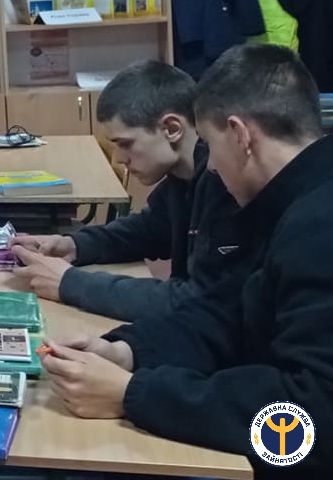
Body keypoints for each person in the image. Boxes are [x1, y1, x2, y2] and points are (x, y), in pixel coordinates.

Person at [40, 44, 333, 477]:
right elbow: (228, 311)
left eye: (210, 146)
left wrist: (135, 394)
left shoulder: (318, 228)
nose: (209, 167)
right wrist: (127, 352)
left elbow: (311, 427)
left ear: (241, 135)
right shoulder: (286, 202)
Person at [10, 61, 247, 321]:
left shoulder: (227, 188)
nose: (119, 159)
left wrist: (70, 283)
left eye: (126, 144)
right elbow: (146, 231)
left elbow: (198, 301)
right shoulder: (181, 180)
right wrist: (73, 245)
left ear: (172, 129)